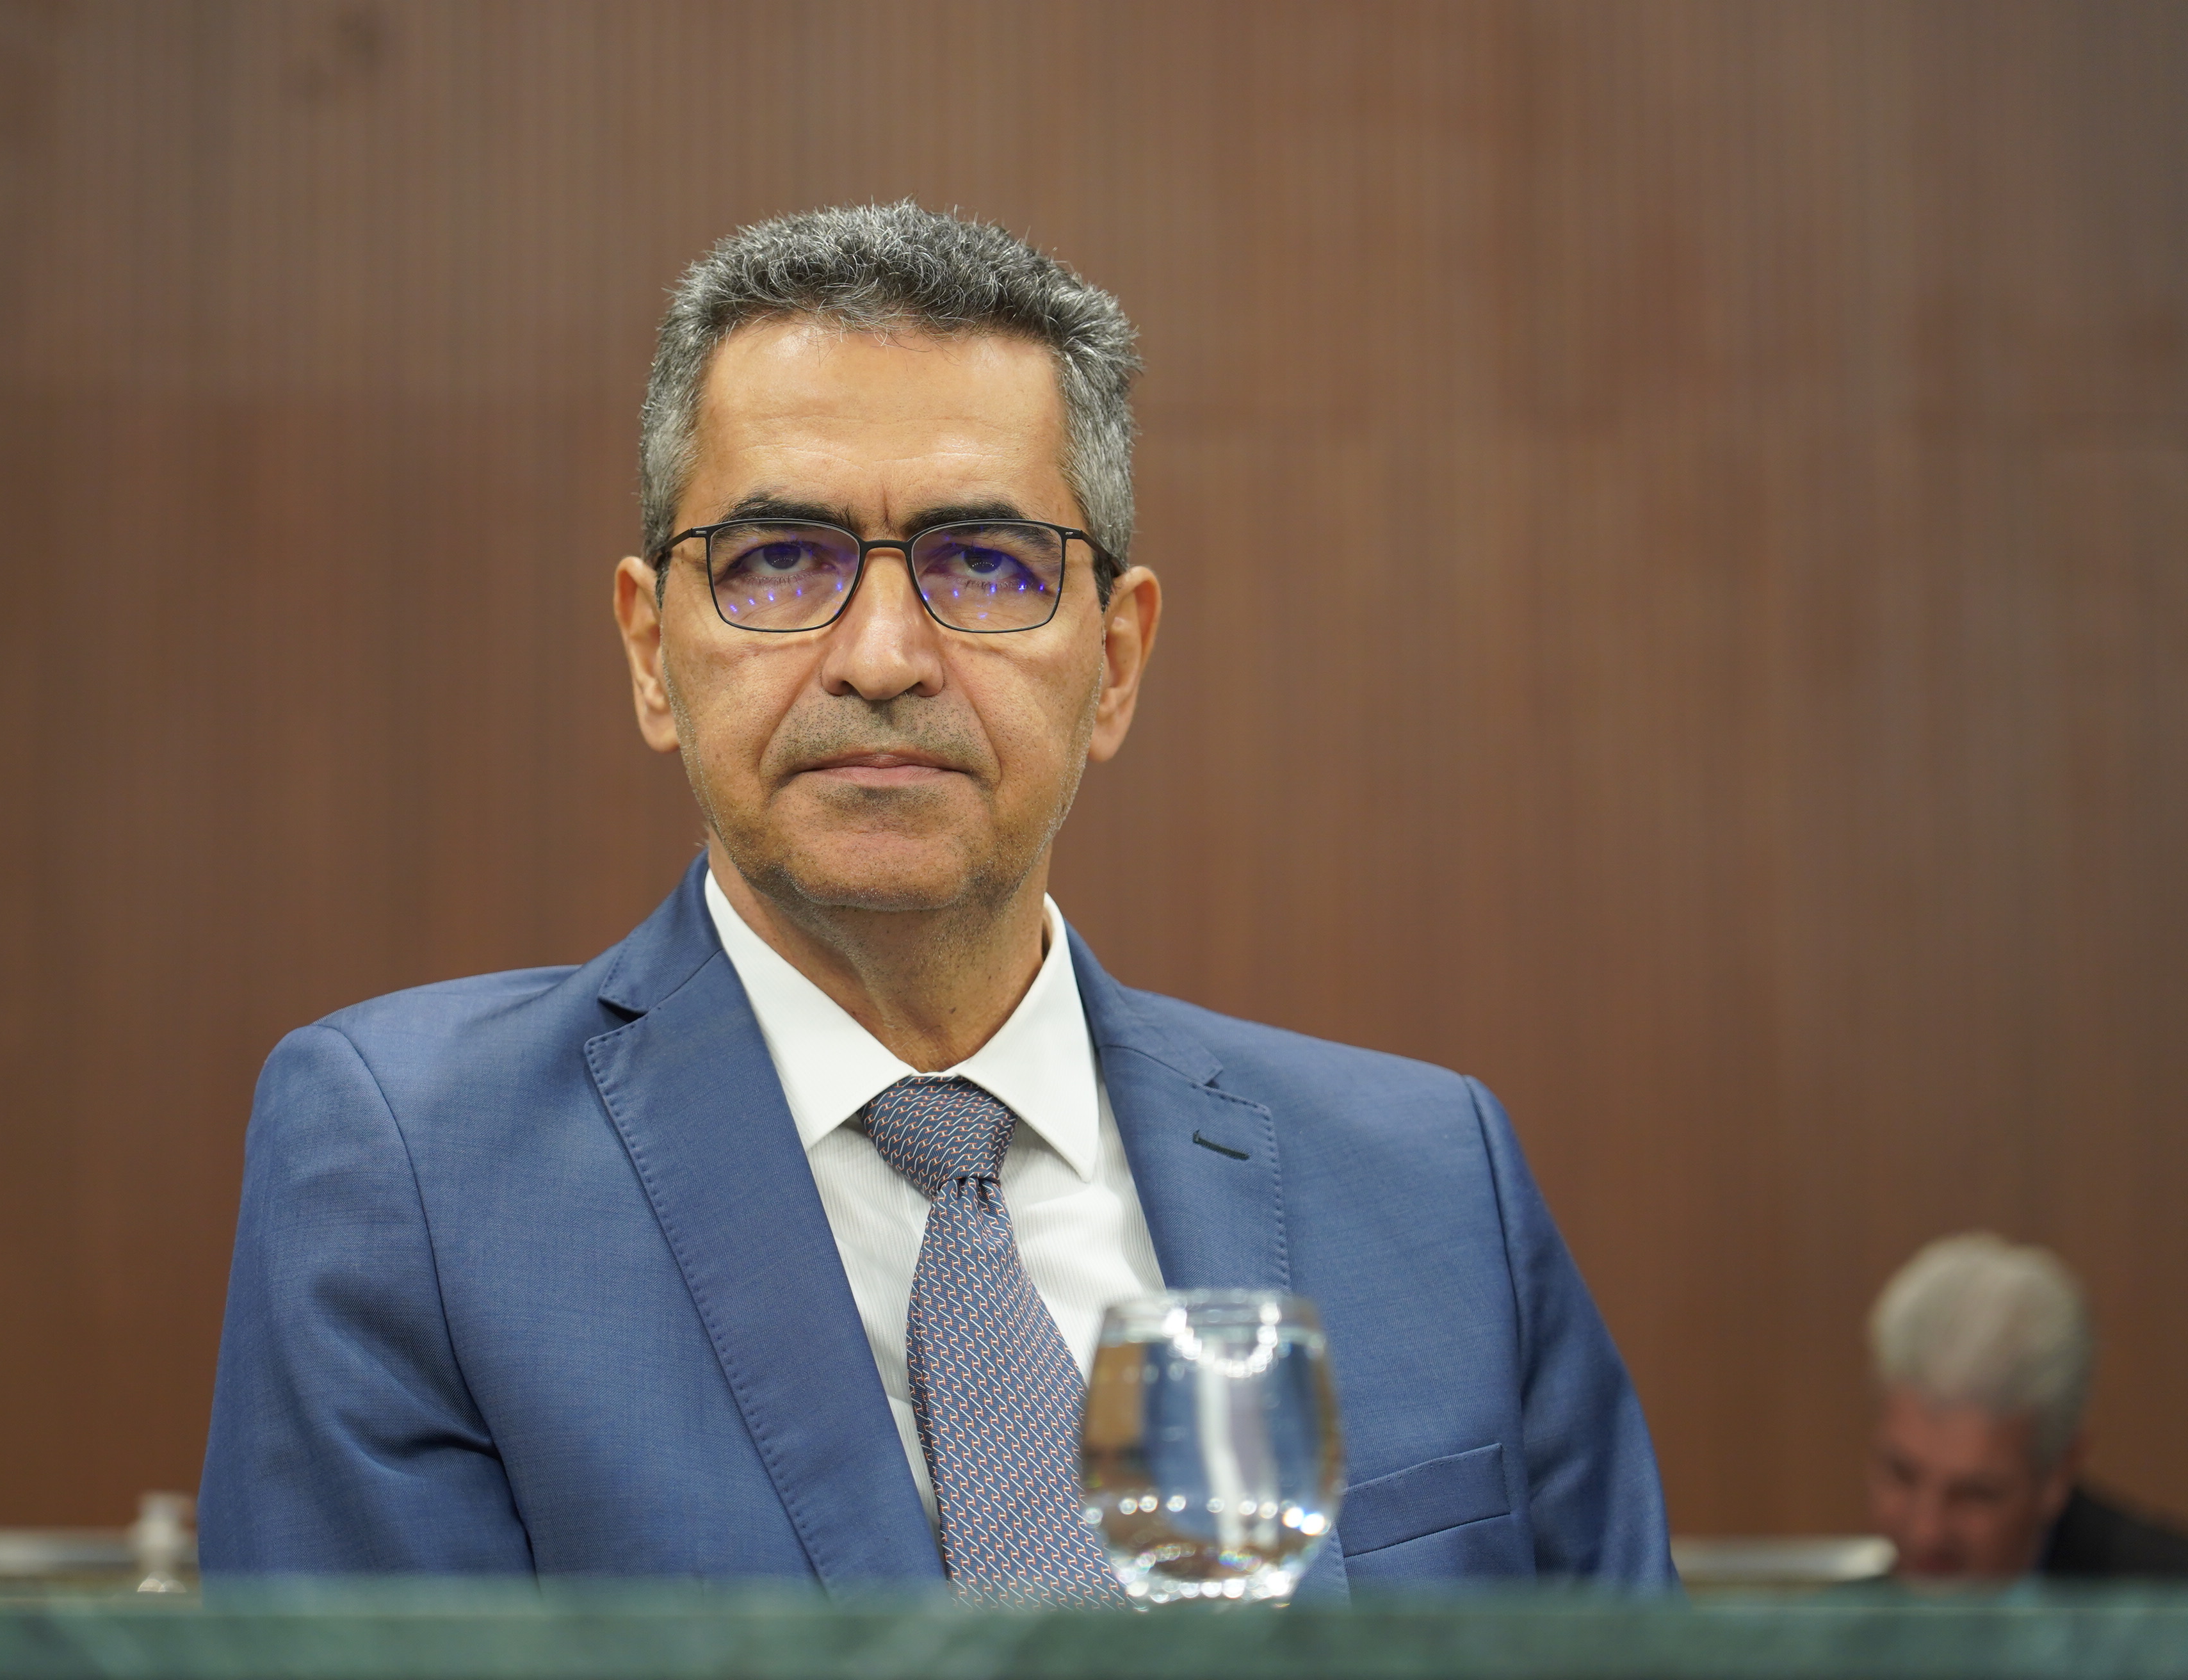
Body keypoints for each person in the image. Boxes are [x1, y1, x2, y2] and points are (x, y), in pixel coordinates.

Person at [197, 203, 1673, 1596]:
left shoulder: (1432, 1182)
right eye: (781, 561)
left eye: (985, 563)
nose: (883, 656)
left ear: (1117, 661)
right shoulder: (419, 1174)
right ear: (652, 651)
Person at [1867, 1232, 2188, 1580]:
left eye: (1976, 1494)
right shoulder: (1840, 1610)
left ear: (2060, 1472)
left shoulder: (2166, 1599)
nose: (1926, 1533)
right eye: (1901, 1475)